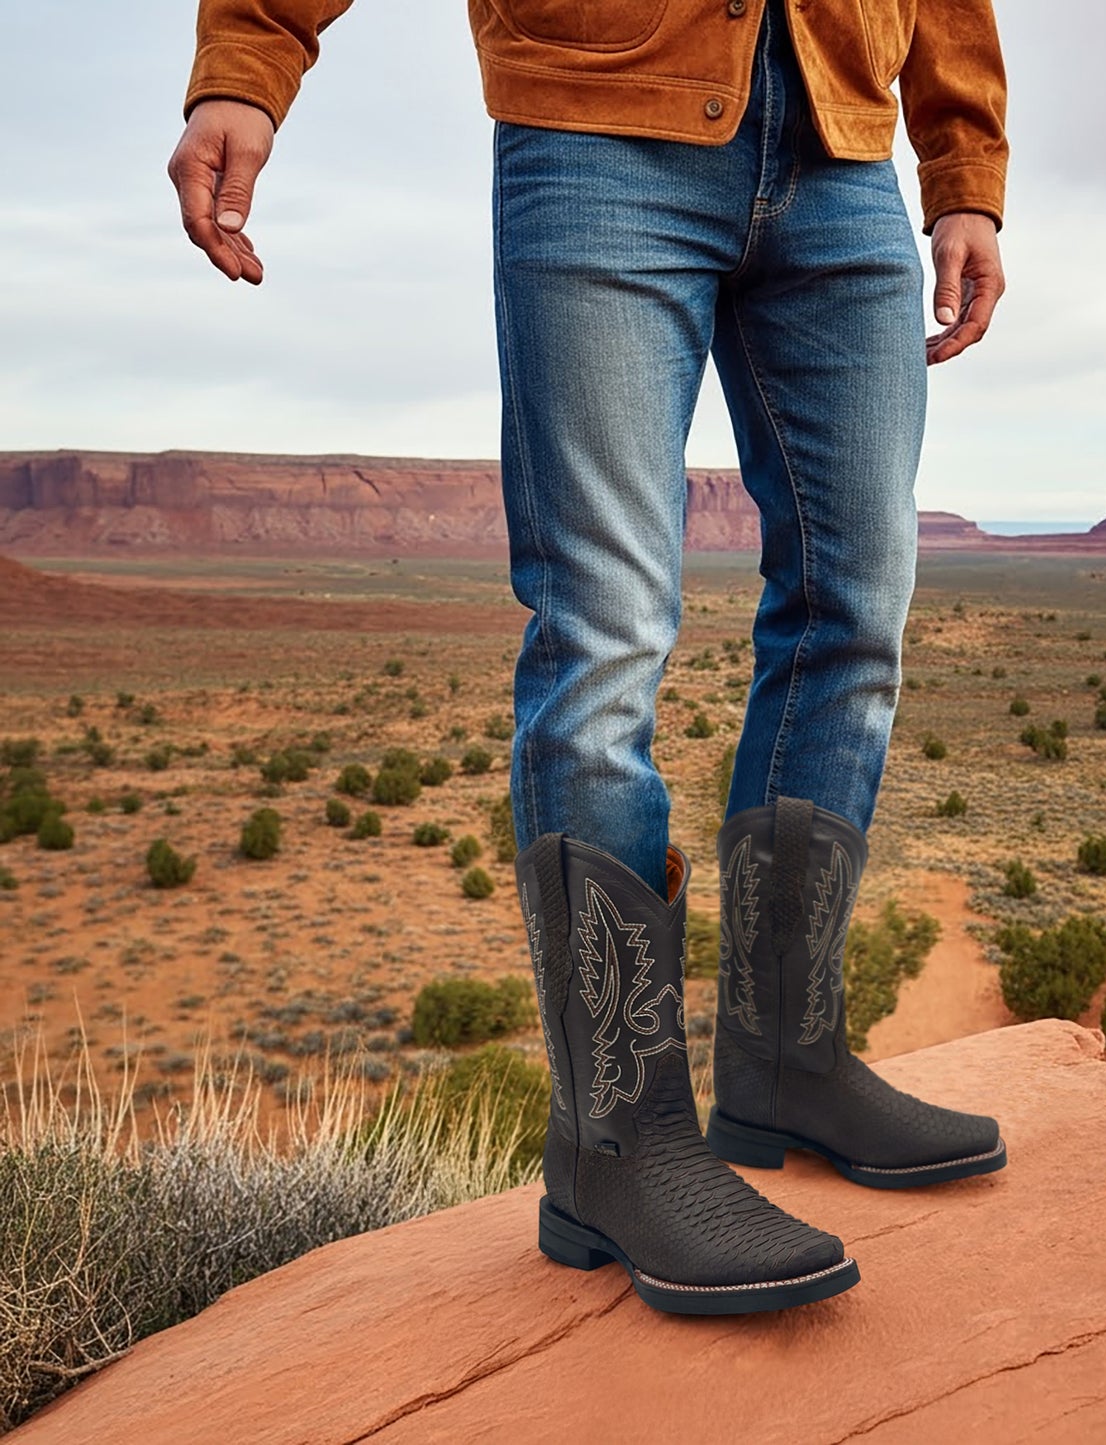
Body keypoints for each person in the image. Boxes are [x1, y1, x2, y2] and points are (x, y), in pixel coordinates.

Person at [170, 0, 1011, 1317]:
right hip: (602, 119)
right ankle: (614, 1148)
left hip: (845, 154)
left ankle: (787, 1062)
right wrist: (249, 64)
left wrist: (962, 168)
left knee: (857, 611)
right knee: (606, 630)